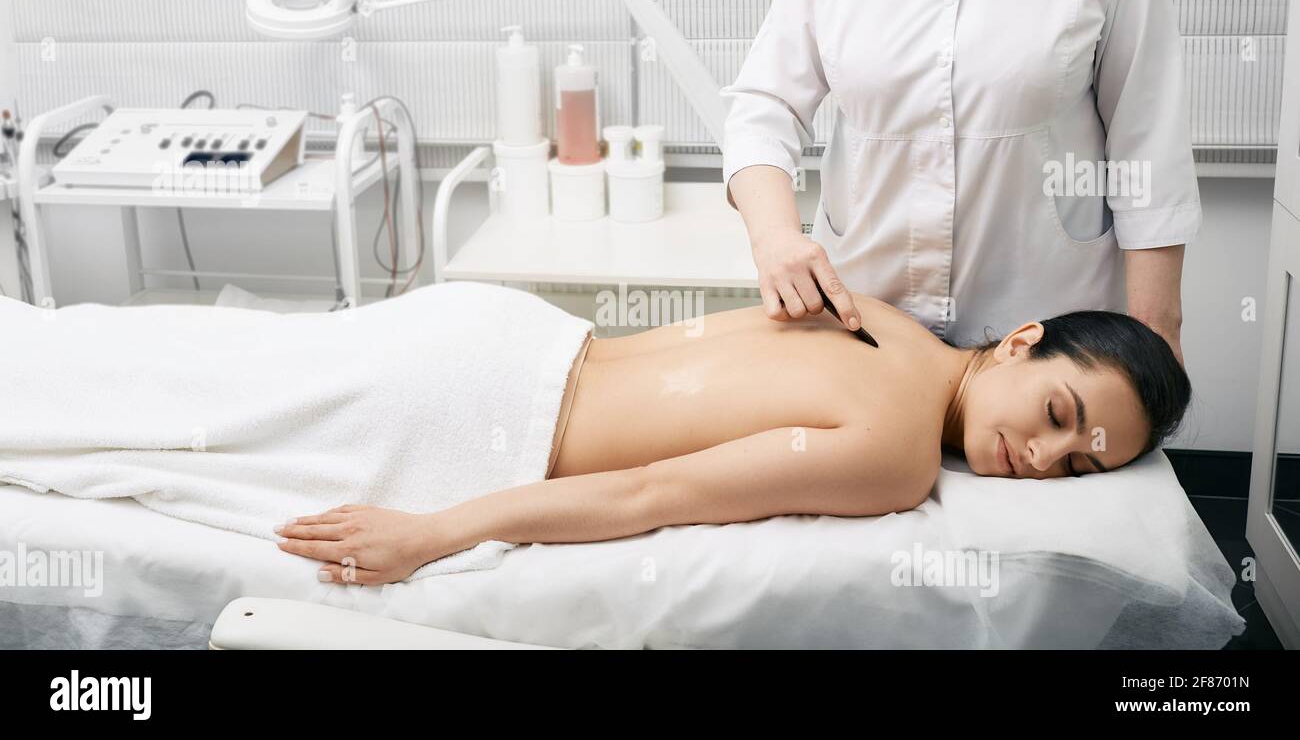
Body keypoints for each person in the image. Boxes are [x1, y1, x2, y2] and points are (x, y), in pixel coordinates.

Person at [277, 290, 1190, 585]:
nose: (1038, 457)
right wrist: (436, 533)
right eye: (1059, 417)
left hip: (499, 329)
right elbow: (648, 496)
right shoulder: (895, 457)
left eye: (1075, 464)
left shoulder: (875, 311)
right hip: (479, 400)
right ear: (1024, 342)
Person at [720, 0, 1199, 365]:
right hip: (866, 325)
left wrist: (1155, 340)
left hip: (1044, 346)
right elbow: (767, 103)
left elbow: (1149, 138)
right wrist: (774, 238)